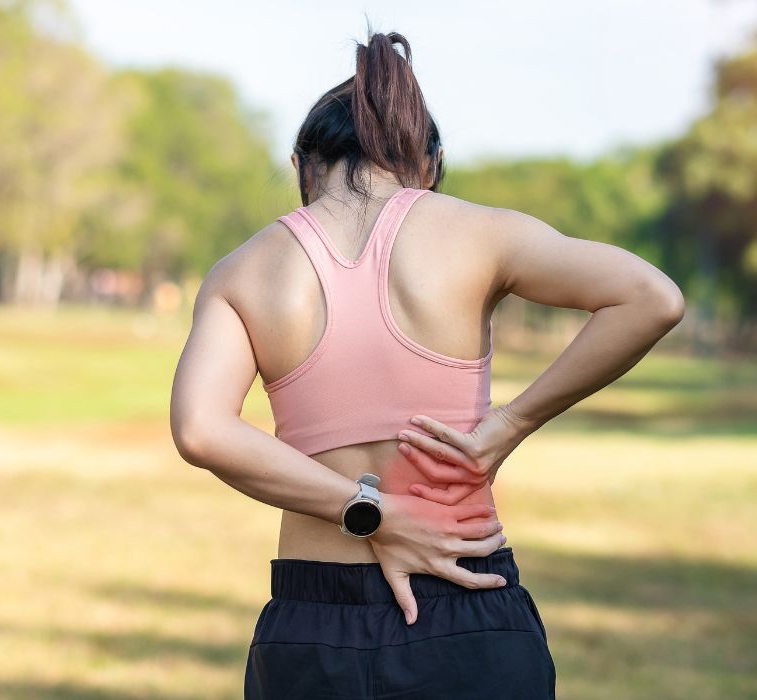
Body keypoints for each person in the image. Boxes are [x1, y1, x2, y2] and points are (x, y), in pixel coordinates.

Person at [170, 29, 684, 700]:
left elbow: (202, 431)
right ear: (431, 163)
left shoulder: (243, 269)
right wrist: (510, 424)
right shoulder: (481, 233)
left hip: (309, 629)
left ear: (302, 163)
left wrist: (367, 513)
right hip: (464, 600)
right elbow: (652, 297)